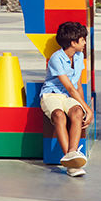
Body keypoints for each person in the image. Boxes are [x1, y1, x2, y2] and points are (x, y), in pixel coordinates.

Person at [40, 20, 92, 176]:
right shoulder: (56, 58)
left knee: (77, 112)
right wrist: (89, 110)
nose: (84, 43)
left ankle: (72, 154)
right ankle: (71, 162)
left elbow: (77, 85)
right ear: (73, 42)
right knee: (59, 115)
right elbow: (69, 87)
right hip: (51, 94)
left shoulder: (79, 57)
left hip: (68, 96)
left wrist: (84, 108)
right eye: (82, 40)